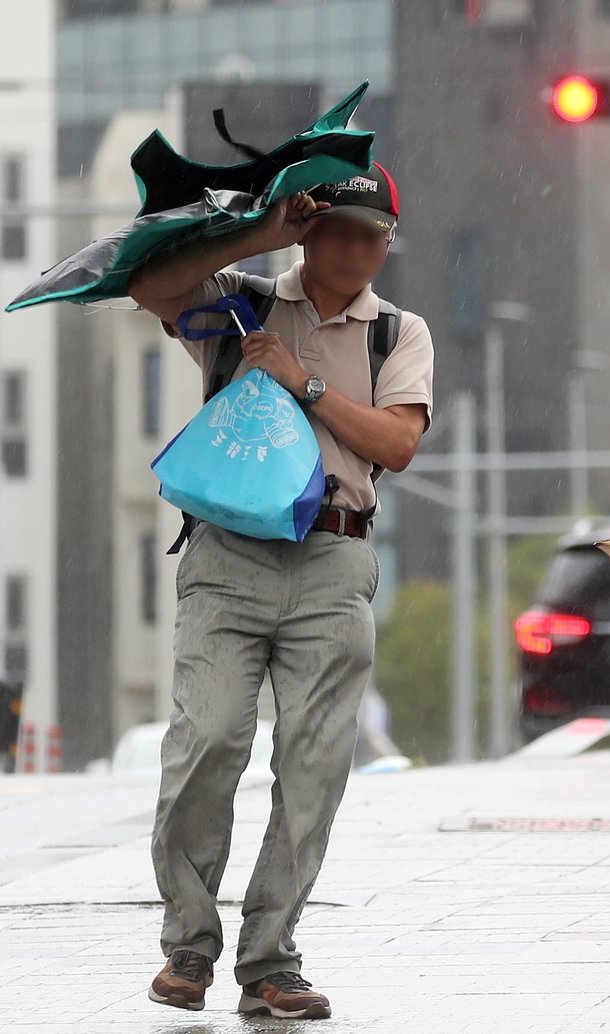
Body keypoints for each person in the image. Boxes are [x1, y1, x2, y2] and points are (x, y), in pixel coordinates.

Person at [128, 162, 434, 1020]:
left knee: (314, 768)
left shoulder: (397, 333)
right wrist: (264, 234)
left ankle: (270, 962)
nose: (355, 248)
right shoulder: (243, 301)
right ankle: (188, 947)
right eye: (337, 229)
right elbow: (150, 284)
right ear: (311, 232)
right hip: (229, 555)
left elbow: (397, 444)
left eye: (372, 235)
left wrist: (302, 381)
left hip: (336, 558)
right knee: (209, 738)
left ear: (386, 245)